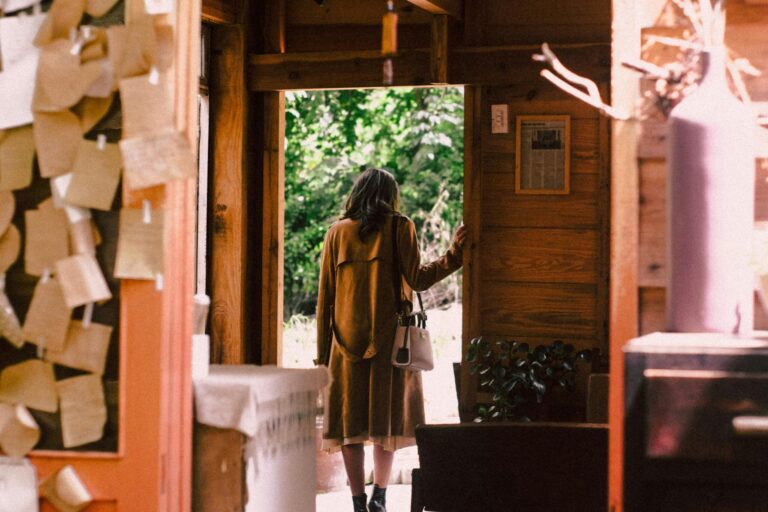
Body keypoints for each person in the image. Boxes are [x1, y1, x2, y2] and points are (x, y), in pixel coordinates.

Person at [316, 167, 467, 512]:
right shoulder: (400, 227)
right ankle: (379, 497)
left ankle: (357, 501)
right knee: (386, 422)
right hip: (391, 345)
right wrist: (454, 255)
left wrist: (322, 356)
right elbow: (419, 279)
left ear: (357, 194)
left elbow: (325, 300)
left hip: (342, 345)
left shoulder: (336, 233)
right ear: (390, 196)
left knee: (348, 425)